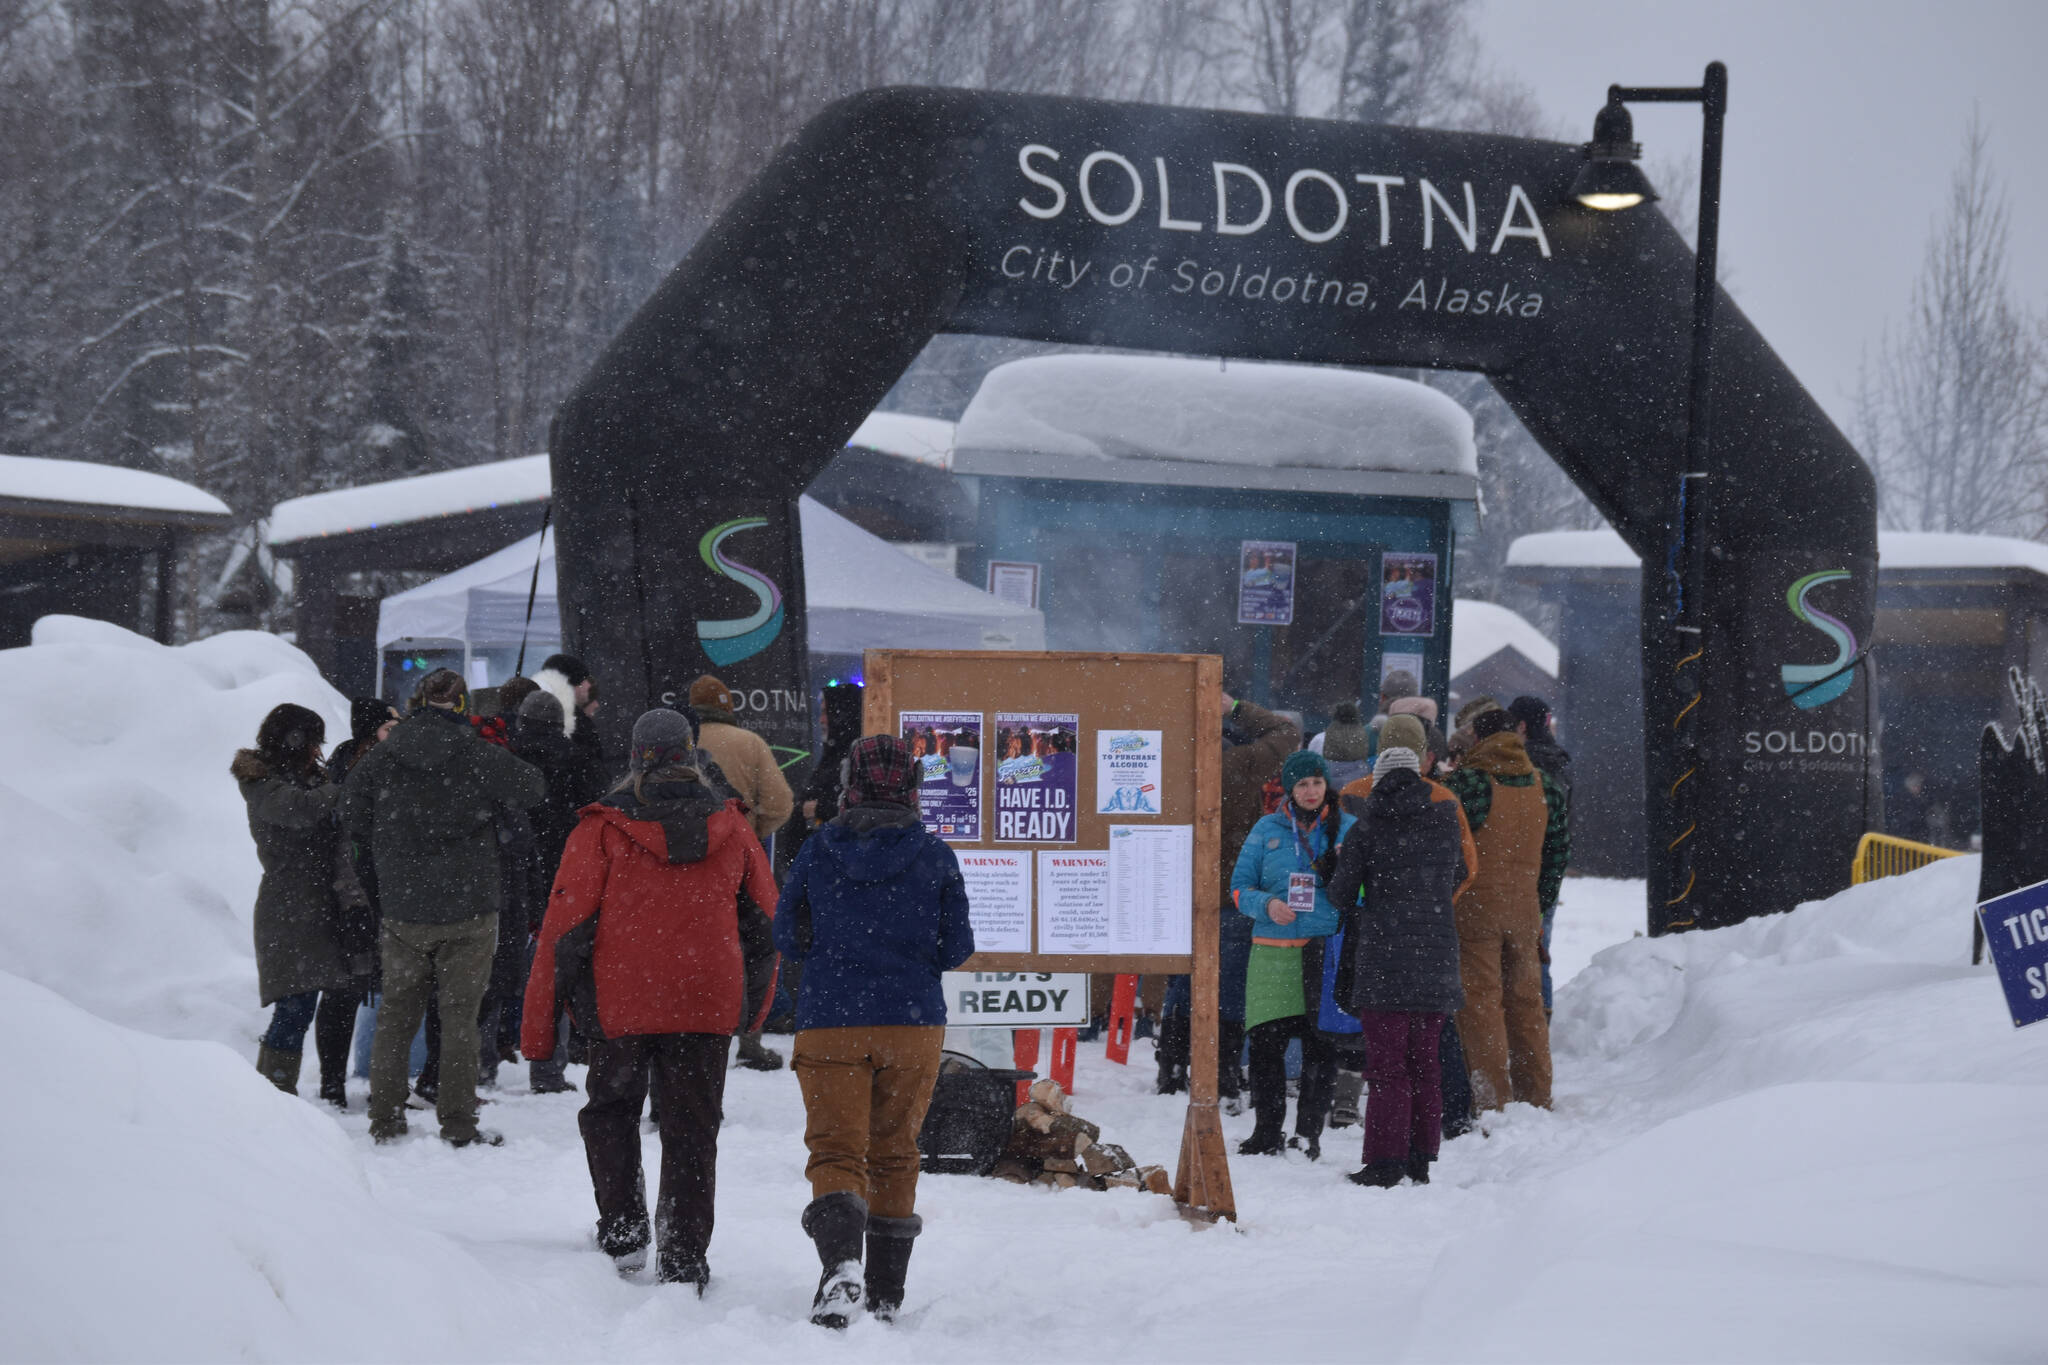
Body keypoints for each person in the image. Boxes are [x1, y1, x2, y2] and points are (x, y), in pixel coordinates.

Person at [522, 709, 779, 1291]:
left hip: (621, 1000)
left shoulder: (603, 828)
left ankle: (624, 1231)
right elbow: (766, 925)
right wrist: (750, 1014)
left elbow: (566, 930)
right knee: (692, 1126)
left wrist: (542, 1028)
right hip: (705, 999)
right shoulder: (732, 826)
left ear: (635, 755)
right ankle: (685, 1255)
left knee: (611, 1113)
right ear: (690, 754)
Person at [774, 735, 975, 1328]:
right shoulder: (936, 855)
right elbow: (957, 947)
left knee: (836, 1150)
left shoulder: (816, 851)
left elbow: (788, 936)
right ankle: (886, 1292)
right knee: (894, 1152)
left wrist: (838, 946)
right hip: (911, 1024)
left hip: (830, 1019)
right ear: (912, 786)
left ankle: (841, 1268)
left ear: (848, 785)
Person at [344, 669, 544, 1147]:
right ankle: (457, 1123)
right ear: (462, 705)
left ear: (415, 702)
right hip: (470, 906)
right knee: (459, 1020)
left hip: (403, 907)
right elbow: (533, 787)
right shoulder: (476, 754)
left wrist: (385, 867)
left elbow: (351, 810)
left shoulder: (387, 754)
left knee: (397, 1015)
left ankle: (386, 1120)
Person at [1326, 722, 1472, 1187]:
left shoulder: (1367, 824)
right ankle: (1421, 1156)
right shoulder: (1446, 815)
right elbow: (1463, 872)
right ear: (1420, 771)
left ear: (1379, 774)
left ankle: (1385, 1162)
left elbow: (1342, 895)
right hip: (1437, 954)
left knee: (1387, 1065)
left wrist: (1349, 876)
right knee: (1425, 1061)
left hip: (1385, 956)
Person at [1157, 693, 1299, 1100]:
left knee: (1182, 981)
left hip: (1182, 891)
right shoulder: (1239, 764)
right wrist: (1234, 707)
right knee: (1233, 985)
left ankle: (1172, 1065)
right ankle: (1223, 1071)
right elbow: (1285, 733)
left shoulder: (1171, 767)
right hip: (1232, 892)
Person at [235, 703, 365, 1107]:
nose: (316, 750)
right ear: (292, 739)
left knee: (331, 998)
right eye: (311, 741)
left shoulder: (312, 779)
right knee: (294, 1007)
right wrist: (343, 787)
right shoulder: (262, 782)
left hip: (324, 906)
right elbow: (299, 810)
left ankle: (289, 1092)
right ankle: (273, 1097)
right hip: (288, 910)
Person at [1441, 706, 1570, 1111]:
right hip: (1525, 912)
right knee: (1526, 1002)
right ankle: (1536, 1094)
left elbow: (1447, 848)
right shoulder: (1544, 784)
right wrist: (1539, 901)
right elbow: (1558, 853)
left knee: (1480, 1002)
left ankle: (1490, 1099)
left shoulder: (1469, 783)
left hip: (1475, 909)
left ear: (1477, 738)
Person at [1230, 750, 1352, 1159]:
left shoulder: (1346, 828)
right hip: (1272, 954)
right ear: (1289, 789)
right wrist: (1266, 906)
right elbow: (1238, 888)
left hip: (1325, 954)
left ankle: (1307, 1135)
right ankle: (1266, 1133)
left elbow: (1365, 893)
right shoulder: (1267, 829)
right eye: (1302, 784)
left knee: (1322, 1050)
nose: (1311, 791)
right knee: (1266, 1048)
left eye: (1317, 782)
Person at [689, 674, 796, 1072]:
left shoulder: (682, 740)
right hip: (738, 866)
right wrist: (751, 836)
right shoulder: (750, 744)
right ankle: (750, 1038)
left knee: (695, 950)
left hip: (683, 868)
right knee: (752, 948)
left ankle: (698, 1033)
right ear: (729, 707)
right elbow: (781, 803)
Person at [509, 686, 609, 1093]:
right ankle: (550, 1065)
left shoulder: (507, 760)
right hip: (569, 874)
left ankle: (482, 1058)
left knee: (503, 970)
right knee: (561, 969)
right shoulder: (577, 761)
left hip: (515, 873)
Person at [1507, 695, 1574, 1014]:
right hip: (1548, 869)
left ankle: (1526, 1026)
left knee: (1516, 954)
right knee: (1538, 949)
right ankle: (1539, 1023)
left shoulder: (1523, 764)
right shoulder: (1560, 762)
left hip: (1521, 869)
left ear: (1522, 725)